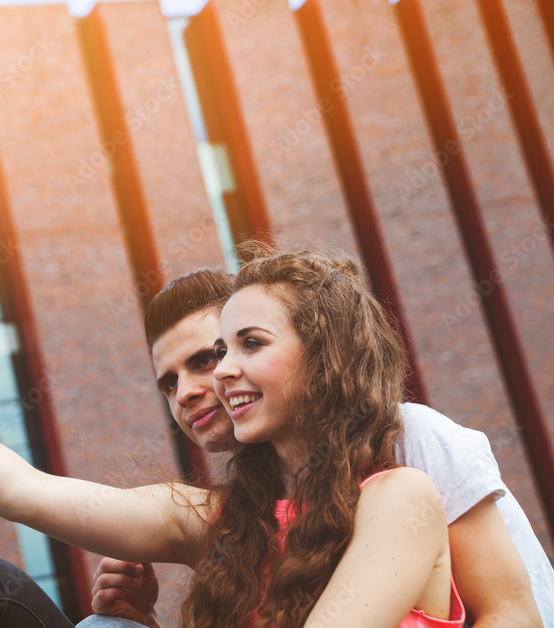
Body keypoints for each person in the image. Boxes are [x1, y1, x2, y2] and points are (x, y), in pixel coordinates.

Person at [0, 248, 475, 625]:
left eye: (239, 349)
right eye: (169, 382)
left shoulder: (402, 492)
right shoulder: (218, 520)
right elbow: (21, 489)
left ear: (324, 354)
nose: (216, 377)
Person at [87, 268, 550, 627]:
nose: (186, 391)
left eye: (210, 356)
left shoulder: (408, 434)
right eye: (167, 384)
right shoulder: (258, 500)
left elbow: (510, 612)